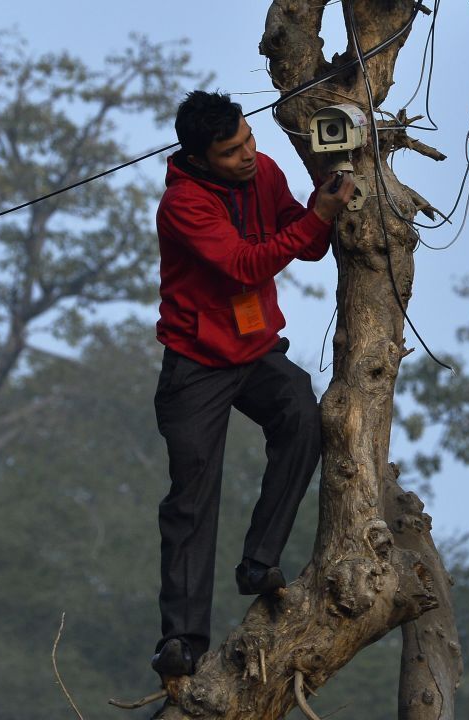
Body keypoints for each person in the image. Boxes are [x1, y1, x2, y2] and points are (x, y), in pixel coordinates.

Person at [149, 90, 356, 679]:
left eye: (248, 139)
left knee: (304, 418)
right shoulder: (183, 205)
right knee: (191, 498)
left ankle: (259, 562)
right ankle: (182, 641)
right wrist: (317, 218)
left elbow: (304, 241)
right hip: (196, 362)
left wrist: (321, 207)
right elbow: (245, 264)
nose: (247, 154)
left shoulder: (262, 170)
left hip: (256, 347)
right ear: (198, 157)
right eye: (231, 151)